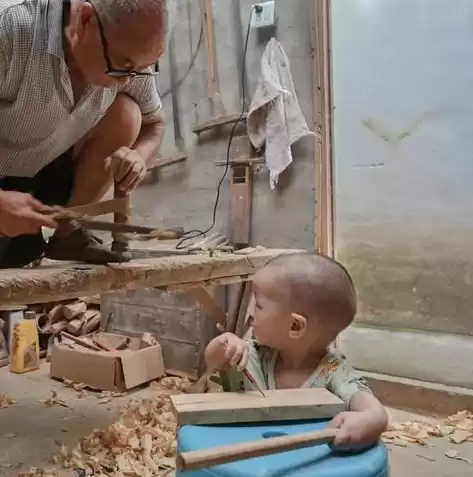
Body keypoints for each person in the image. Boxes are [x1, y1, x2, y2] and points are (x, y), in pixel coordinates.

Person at [0, 0, 167, 267]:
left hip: (46, 178)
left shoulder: (126, 58)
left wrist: (138, 157)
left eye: (141, 68)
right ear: (85, 21)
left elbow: (154, 125)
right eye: (123, 66)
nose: (129, 79)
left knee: (128, 112)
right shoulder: (10, 28)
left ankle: (69, 233)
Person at [205, 253, 388, 450]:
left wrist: (373, 419)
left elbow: (370, 407)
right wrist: (225, 343)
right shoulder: (253, 354)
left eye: (258, 306)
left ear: (295, 326)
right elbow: (213, 359)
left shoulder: (332, 371)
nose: (250, 315)